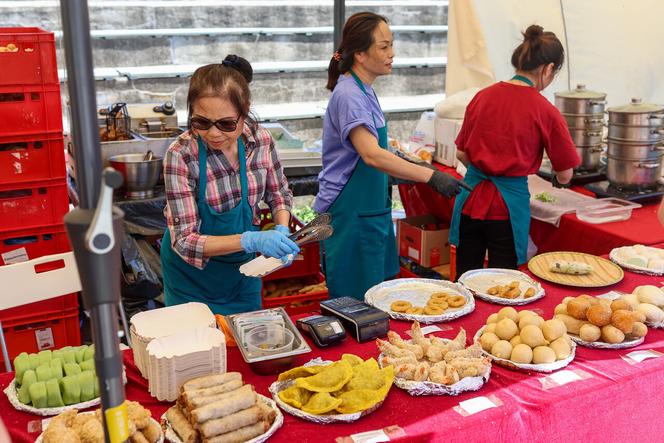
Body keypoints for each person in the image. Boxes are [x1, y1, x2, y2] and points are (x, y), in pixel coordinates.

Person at [314, 12, 468, 299]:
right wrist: (430, 176)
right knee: (356, 303)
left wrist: (414, 162)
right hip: (351, 214)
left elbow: (381, 150)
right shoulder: (349, 94)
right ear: (360, 53)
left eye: (391, 45)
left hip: (371, 210)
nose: (392, 53)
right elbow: (371, 155)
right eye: (384, 47)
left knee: (380, 296)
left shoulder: (365, 89)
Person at [160, 55, 299, 315]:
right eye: (201, 122)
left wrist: (281, 226)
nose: (213, 134)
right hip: (191, 281)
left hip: (243, 275)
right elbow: (184, 241)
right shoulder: (181, 155)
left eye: (226, 123)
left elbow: (278, 192)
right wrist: (250, 239)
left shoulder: (260, 141)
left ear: (244, 111)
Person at [450, 25, 581, 278]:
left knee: (465, 277)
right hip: (507, 208)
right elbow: (565, 174)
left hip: (470, 199)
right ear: (548, 69)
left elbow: (461, 154)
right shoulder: (545, 110)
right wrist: (557, 180)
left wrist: (484, 167)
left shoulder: (482, 96)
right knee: (503, 283)